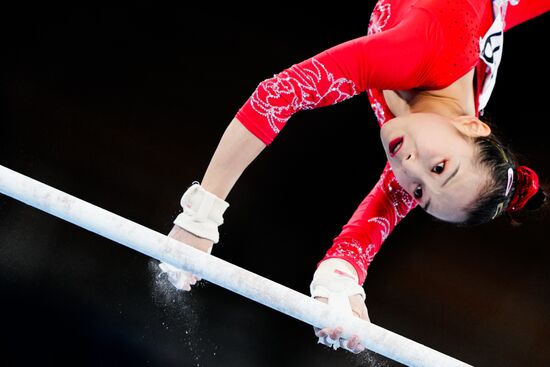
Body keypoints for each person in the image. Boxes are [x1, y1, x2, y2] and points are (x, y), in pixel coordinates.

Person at [158, 0, 549, 354]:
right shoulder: (421, 50)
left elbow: (371, 225)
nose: (410, 168)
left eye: (418, 192)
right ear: (472, 125)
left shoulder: (440, 130)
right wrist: (201, 215)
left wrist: (340, 281)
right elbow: (279, 94)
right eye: (438, 169)